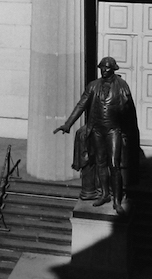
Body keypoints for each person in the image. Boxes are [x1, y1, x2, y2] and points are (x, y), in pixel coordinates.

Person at [54, 56, 139, 215]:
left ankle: (117, 201)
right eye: (102, 68)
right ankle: (105, 194)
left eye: (108, 68)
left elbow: (129, 112)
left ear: (114, 69)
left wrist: (130, 133)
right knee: (100, 163)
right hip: (97, 130)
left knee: (114, 164)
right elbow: (81, 105)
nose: (105, 70)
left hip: (113, 130)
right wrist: (68, 124)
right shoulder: (93, 86)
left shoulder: (122, 86)